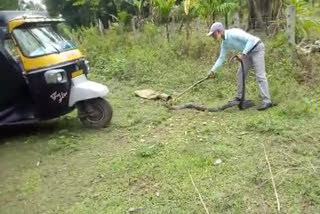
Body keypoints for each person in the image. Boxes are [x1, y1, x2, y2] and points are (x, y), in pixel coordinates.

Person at [207, 22, 272, 111]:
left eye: (213, 35)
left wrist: (243, 53)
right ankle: (240, 98)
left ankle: (266, 101)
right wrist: (212, 71)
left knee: (260, 75)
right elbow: (221, 58)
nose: (213, 37)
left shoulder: (233, 33)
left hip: (257, 48)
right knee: (240, 74)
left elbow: (251, 40)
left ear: (218, 31)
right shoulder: (224, 43)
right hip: (247, 53)